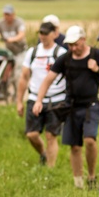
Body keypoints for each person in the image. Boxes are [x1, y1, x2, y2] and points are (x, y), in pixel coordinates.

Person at [33, 26, 99, 190]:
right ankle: (78, 184)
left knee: (89, 141)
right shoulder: (65, 59)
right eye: (70, 45)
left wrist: (98, 69)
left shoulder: (96, 55)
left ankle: (92, 178)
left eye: (75, 44)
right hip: (71, 106)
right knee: (75, 146)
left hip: (91, 105)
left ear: (83, 40)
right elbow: (48, 80)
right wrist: (38, 100)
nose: (72, 48)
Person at [16, 22, 67, 167]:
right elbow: (24, 77)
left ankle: (50, 169)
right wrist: (19, 101)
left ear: (54, 34)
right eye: (41, 33)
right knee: (31, 134)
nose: (43, 36)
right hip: (34, 98)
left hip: (56, 99)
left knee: (51, 135)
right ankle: (43, 154)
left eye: (46, 33)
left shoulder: (61, 53)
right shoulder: (32, 53)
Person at [0, 4, 27, 82]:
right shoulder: (0, 23)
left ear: (13, 14)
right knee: (4, 68)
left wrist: (13, 39)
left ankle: (17, 87)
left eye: (9, 14)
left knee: (18, 70)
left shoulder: (19, 22)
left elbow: (21, 34)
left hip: (20, 51)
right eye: (5, 14)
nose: (7, 16)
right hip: (9, 51)